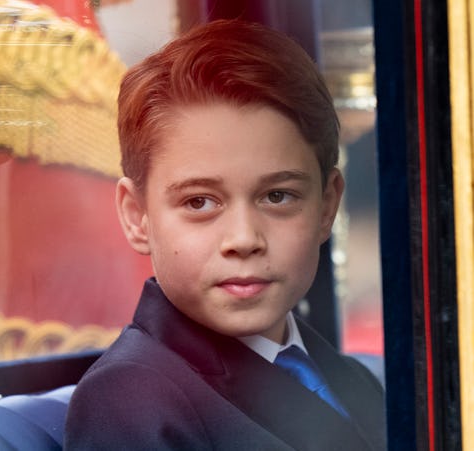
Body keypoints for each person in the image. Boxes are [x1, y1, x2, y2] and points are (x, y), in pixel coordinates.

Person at [64, 18, 386, 450]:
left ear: (327, 205)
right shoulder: (132, 399)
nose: (244, 238)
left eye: (277, 196)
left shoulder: (353, 379)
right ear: (137, 216)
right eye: (199, 202)